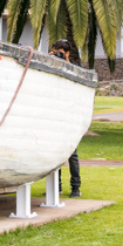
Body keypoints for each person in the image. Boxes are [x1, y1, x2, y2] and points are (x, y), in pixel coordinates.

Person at [50, 40, 81, 198]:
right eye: (55, 52)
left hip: (71, 117)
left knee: (72, 154)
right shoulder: (52, 66)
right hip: (55, 116)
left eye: (60, 52)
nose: (58, 55)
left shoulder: (75, 69)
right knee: (55, 153)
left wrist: (65, 62)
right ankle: (56, 187)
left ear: (67, 53)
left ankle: (76, 187)